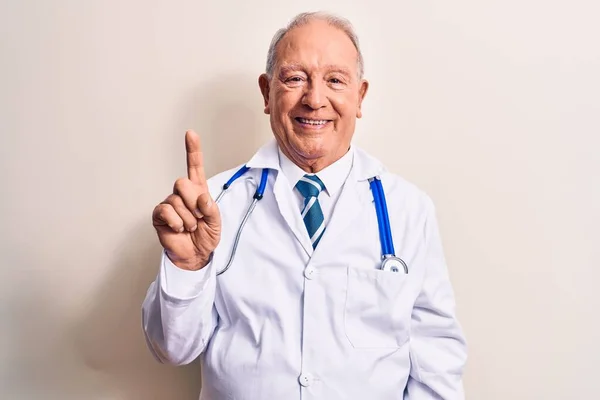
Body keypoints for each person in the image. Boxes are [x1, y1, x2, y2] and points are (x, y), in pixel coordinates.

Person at [142, 11, 467, 400]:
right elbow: (171, 350)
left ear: (359, 96)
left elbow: (437, 364)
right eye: (295, 78)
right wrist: (187, 268)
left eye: (335, 80)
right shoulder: (213, 205)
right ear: (266, 93)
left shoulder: (408, 211)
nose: (314, 100)